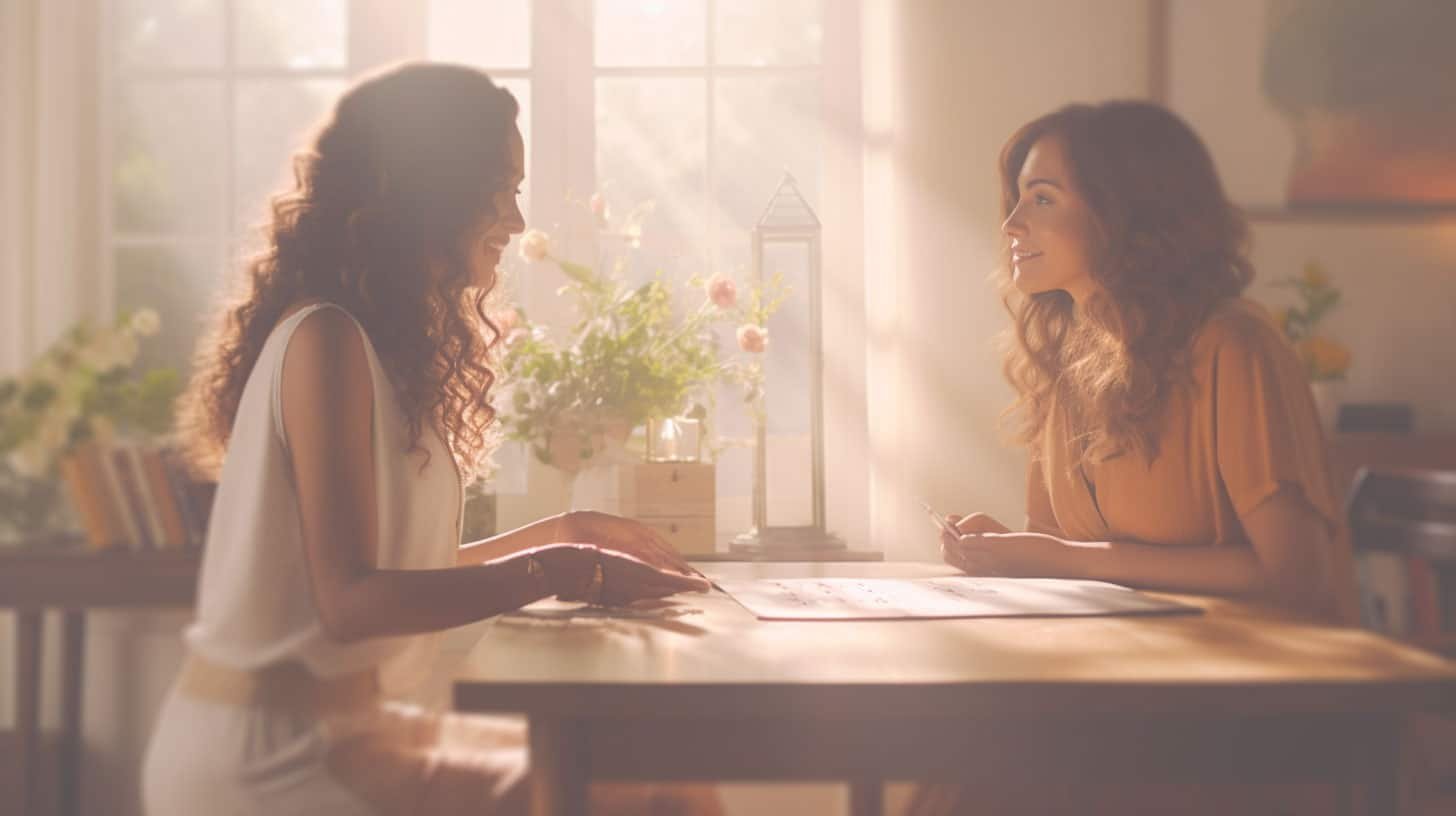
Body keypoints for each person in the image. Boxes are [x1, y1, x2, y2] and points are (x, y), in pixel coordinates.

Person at [142, 62, 715, 815]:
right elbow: (351, 601)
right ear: (431, 188)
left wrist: (568, 532)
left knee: (664, 777)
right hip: (265, 757)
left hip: (348, 727)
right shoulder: (325, 339)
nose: (515, 220)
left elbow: (401, 572)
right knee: (645, 799)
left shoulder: (377, 346)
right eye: (502, 189)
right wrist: (560, 569)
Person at [916, 100, 1357, 815]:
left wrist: (1064, 561)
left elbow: (1293, 576)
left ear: (1126, 212)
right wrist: (1010, 550)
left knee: (982, 773)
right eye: (1016, 200)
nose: (1011, 226)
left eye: (1042, 199)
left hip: (1250, 718)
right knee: (961, 758)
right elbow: (1061, 548)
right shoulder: (1068, 358)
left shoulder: (1233, 346)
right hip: (1130, 688)